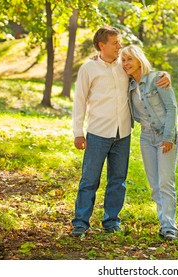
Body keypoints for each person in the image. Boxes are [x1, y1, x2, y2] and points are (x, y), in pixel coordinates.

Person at [71, 27, 170, 237]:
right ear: (102, 45)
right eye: (115, 43)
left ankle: (111, 221)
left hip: (123, 133)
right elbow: (79, 101)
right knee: (89, 180)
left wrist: (165, 75)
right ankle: (80, 223)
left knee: (118, 180)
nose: (119, 46)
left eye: (119, 43)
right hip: (97, 133)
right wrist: (77, 132)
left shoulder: (124, 66)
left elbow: (146, 73)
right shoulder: (88, 69)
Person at [121, 45, 178, 240]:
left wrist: (168, 137)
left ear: (139, 59)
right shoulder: (128, 84)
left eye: (129, 59)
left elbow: (172, 108)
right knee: (155, 184)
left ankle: (170, 227)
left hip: (165, 136)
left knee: (165, 182)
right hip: (146, 137)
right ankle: (163, 224)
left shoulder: (157, 79)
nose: (126, 64)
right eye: (123, 60)